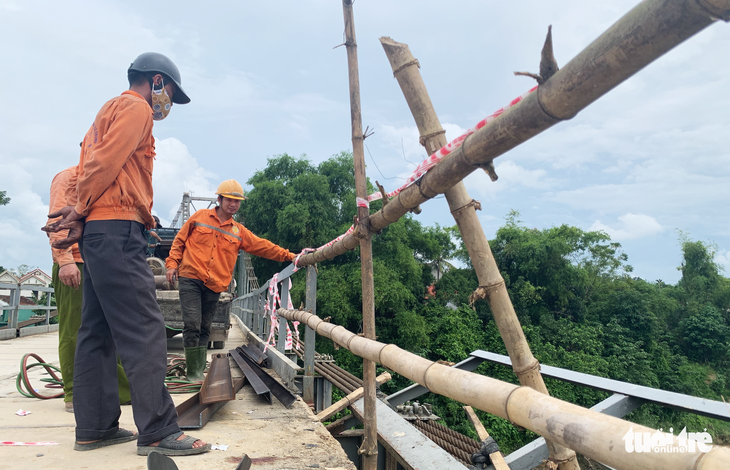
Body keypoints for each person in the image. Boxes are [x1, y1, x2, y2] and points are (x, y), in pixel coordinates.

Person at [42, 52, 209, 456]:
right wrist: (82, 209)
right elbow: (104, 162)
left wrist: (86, 216)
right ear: (156, 81)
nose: (168, 99)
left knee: (96, 333)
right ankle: (158, 430)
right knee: (144, 329)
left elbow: (97, 167)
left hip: (103, 233)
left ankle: (95, 427)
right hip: (116, 234)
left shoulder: (107, 111)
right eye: (168, 90)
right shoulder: (137, 109)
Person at [165, 179, 297, 379]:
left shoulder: (238, 231)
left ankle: (199, 369)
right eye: (229, 200)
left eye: (237, 201)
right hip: (190, 277)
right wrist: (172, 264)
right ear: (219, 199)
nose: (233, 204)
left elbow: (263, 246)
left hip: (215, 284)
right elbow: (179, 240)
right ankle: (193, 373)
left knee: (204, 327)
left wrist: (290, 256)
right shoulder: (199, 217)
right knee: (192, 323)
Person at [47, 167, 132, 413]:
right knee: (75, 329)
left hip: (105, 263)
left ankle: (117, 390)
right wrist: (65, 261)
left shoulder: (110, 176)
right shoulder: (68, 177)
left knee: (111, 329)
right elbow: (57, 219)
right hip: (77, 263)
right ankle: (75, 392)